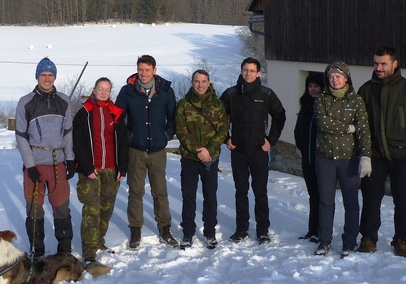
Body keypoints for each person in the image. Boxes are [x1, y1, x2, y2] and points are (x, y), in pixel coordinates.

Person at [357, 47, 406, 258]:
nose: (378, 68)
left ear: (394, 64)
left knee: (403, 201)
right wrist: (365, 153)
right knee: (370, 200)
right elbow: (361, 124)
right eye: (376, 63)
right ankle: (368, 238)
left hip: (402, 158)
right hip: (375, 156)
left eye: (383, 64)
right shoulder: (366, 90)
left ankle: (402, 241)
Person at [220, 57, 286, 244]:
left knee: (260, 192)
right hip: (238, 150)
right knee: (241, 191)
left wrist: (271, 140)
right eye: (245, 70)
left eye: (252, 70)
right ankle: (241, 229)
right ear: (241, 71)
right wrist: (226, 137)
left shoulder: (266, 94)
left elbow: (280, 115)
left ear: (259, 73)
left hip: (258, 150)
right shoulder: (231, 94)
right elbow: (217, 117)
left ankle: (263, 230)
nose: (248, 73)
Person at [115, 55, 178, 249]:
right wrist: (129, 137)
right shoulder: (127, 92)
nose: (143, 73)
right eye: (140, 69)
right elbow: (118, 119)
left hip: (158, 150)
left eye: (147, 70)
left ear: (154, 71)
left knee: (160, 191)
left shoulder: (165, 91)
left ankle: (165, 229)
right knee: (136, 191)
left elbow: (172, 118)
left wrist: (166, 135)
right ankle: (135, 230)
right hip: (136, 149)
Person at [15, 57, 76, 257]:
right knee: (34, 210)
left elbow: (68, 132)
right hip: (36, 164)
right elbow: (21, 136)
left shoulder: (64, 101)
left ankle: (65, 251)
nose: (47, 79)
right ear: (37, 76)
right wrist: (30, 165)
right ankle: (37, 251)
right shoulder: (26, 103)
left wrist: (70, 158)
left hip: (57, 163)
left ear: (55, 77)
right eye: (44, 75)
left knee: (62, 208)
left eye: (51, 75)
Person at [313, 62, 372, 257]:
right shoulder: (321, 98)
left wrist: (366, 156)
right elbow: (323, 122)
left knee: (351, 202)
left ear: (346, 78)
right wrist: (348, 128)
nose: (334, 79)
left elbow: (363, 129)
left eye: (338, 76)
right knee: (326, 201)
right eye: (331, 76)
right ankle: (325, 240)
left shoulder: (356, 101)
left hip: (349, 159)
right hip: (325, 158)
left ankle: (349, 241)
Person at [73, 77, 129, 264]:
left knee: (106, 208)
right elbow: (78, 142)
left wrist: (123, 167)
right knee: (92, 209)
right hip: (91, 169)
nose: (103, 92)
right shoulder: (84, 113)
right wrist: (87, 167)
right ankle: (89, 251)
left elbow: (122, 142)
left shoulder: (116, 113)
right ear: (94, 89)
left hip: (111, 170)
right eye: (100, 88)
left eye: (107, 89)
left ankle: (98, 240)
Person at [175, 69, 228, 249]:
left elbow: (222, 131)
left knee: (210, 196)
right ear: (192, 82)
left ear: (209, 82)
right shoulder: (183, 105)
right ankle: (188, 233)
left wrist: (209, 151)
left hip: (210, 159)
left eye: (203, 81)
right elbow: (181, 131)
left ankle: (210, 232)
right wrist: (199, 150)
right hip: (190, 158)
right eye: (197, 81)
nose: (200, 84)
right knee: (188, 196)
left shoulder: (218, 105)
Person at [293, 72, 325, 243]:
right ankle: (312, 229)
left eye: (316, 86)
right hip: (308, 159)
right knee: (313, 195)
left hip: (323, 159)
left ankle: (323, 230)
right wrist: (303, 148)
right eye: (310, 86)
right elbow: (298, 130)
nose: (313, 89)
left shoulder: (326, 106)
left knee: (323, 198)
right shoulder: (305, 106)